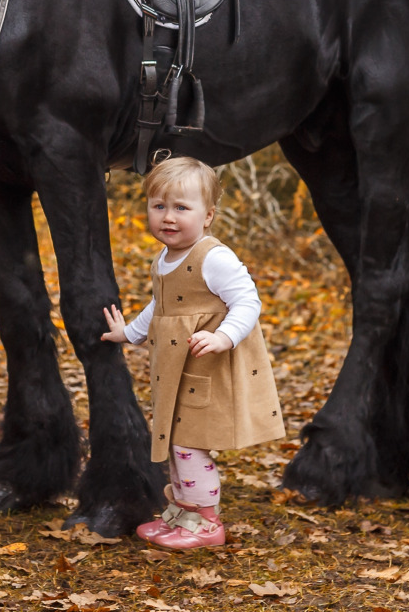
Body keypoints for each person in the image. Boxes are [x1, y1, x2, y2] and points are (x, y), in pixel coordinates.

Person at [101, 156, 285, 550]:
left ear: (208, 216)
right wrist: (129, 333)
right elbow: (161, 306)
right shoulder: (164, 259)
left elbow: (248, 302)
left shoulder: (213, 258)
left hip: (208, 365)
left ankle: (206, 524)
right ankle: (185, 514)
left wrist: (224, 336)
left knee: (189, 443)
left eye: (182, 207)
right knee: (174, 439)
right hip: (176, 368)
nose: (168, 217)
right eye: (159, 206)